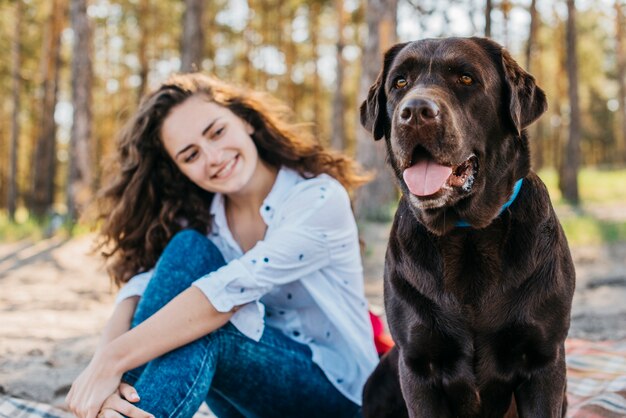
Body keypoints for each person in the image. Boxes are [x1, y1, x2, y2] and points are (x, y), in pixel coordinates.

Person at [65, 73, 379, 418]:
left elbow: (227, 293)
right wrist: (102, 361)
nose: (213, 157)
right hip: (250, 397)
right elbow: (144, 284)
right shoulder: (206, 218)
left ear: (244, 120)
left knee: (204, 328)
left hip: (341, 397)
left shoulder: (318, 198)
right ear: (179, 169)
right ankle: (118, 407)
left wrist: (113, 359)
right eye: (190, 155)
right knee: (187, 250)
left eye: (216, 132)